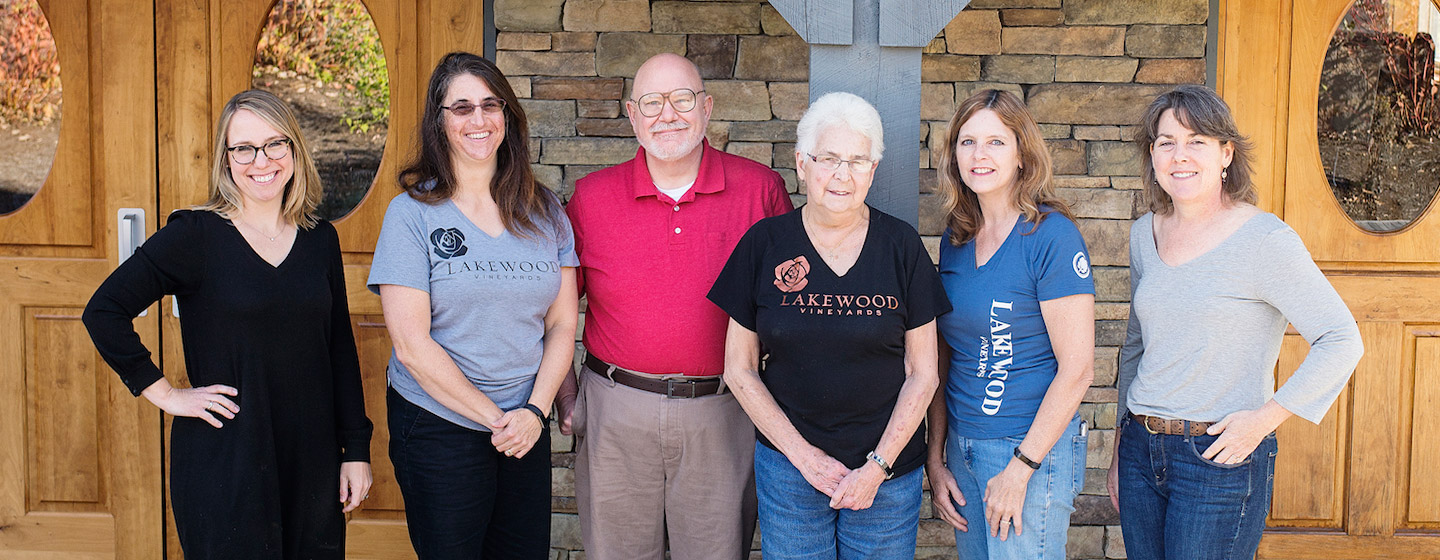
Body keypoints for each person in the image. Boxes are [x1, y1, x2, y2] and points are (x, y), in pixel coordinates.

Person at [82, 89, 373, 559]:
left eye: (275, 144)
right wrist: (167, 394)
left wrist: (356, 450)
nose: (262, 161)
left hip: (312, 460)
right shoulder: (195, 235)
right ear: (226, 158)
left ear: (295, 151)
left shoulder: (321, 239)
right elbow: (103, 310)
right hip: (228, 459)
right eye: (244, 148)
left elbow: (339, 348)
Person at [1109, 85, 1364, 559]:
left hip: (1219, 458)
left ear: (1226, 153)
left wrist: (1264, 421)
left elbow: (1341, 339)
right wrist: (1122, 442)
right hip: (1141, 452)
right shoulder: (1145, 233)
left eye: (1197, 141)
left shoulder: (1265, 240)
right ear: (1152, 154)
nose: (1179, 156)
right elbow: (1137, 345)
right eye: (1166, 142)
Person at [559, 52, 792, 560]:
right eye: (651, 102)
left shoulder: (760, 191)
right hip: (616, 409)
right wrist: (565, 391)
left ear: (706, 108)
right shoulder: (591, 198)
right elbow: (552, 312)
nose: (668, 114)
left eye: (682, 99)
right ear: (631, 114)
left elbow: (793, 311)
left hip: (723, 409)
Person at [707, 91, 950, 560]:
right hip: (790, 473)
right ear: (802, 163)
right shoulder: (765, 244)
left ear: (873, 171)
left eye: (859, 161)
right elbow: (738, 369)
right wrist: (803, 457)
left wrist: (876, 468)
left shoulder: (901, 246)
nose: (843, 174)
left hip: (888, 477)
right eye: (829, 159)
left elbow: (924, 373)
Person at [368, 52, 578, 559]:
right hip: (440, 425)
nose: (478, 120)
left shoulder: (545, 210)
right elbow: (413, 346)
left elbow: (563, 323)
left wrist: (533, 410)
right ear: (439, 122)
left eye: (490, 104)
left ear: (507, 115)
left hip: (524, 422)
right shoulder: (412, 214)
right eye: (461, 108)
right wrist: (498, 420)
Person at [922, 89, 1094, 560]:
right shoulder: (955, 239)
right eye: (967, 141)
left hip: (1027, 451)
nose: (979, 155)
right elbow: (945, 356)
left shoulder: (1051, 235)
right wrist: (936, 457)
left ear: (1022, 154)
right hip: (963, 448)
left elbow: (1078, 369)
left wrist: (1021, 469)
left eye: (996, 142)